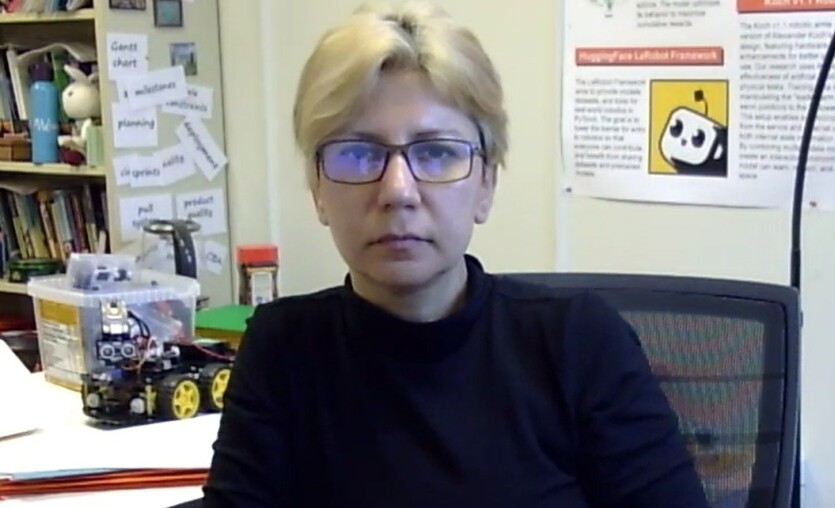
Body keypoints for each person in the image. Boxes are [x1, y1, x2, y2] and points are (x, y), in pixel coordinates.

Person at [202, 1, 709, 507]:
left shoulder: (580, 343)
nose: (398, 190)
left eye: (436, 152)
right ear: (317, 189)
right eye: (357, 153)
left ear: (486, 183)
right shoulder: (281, 352)